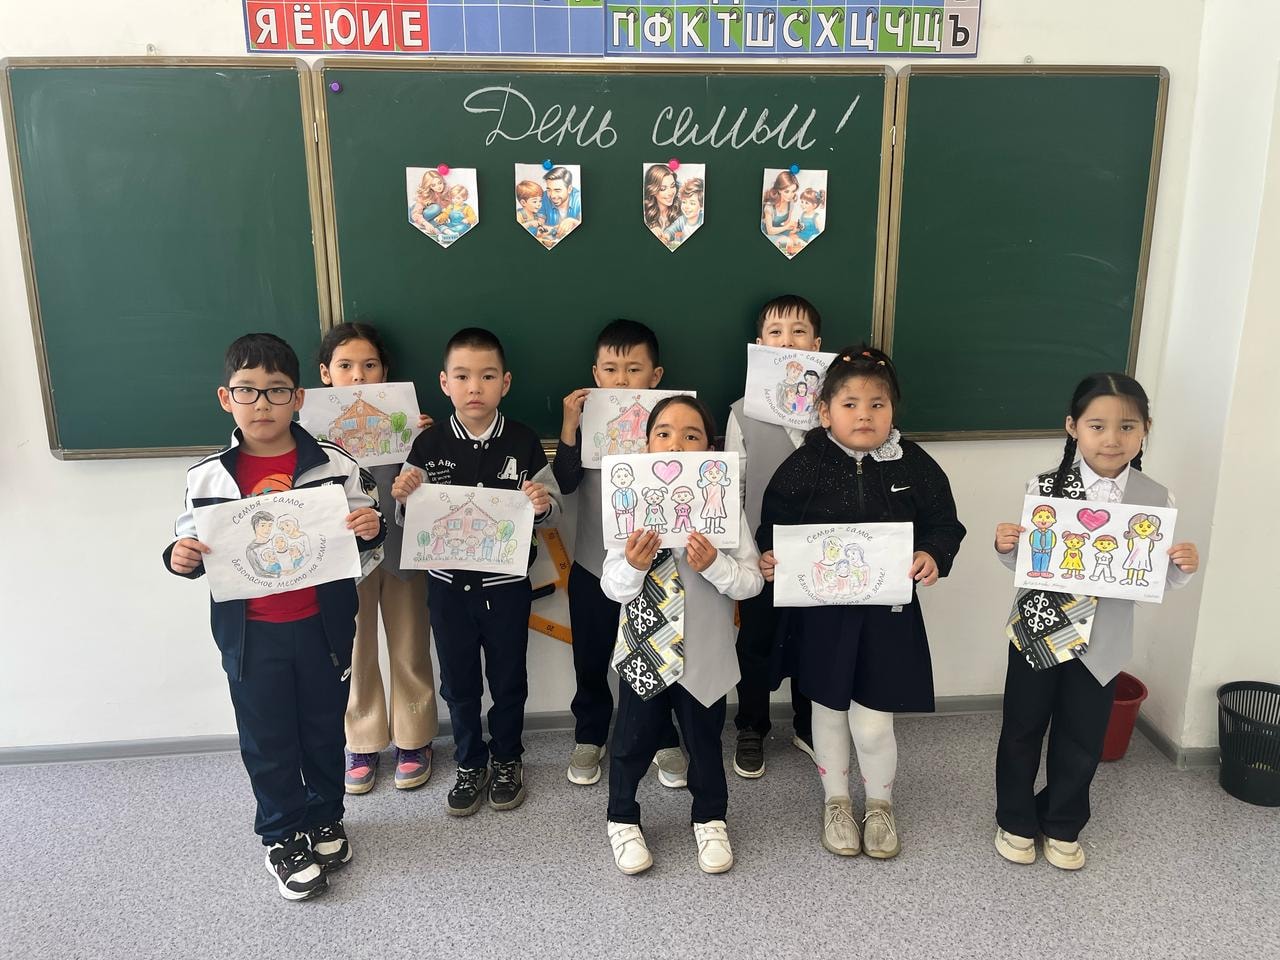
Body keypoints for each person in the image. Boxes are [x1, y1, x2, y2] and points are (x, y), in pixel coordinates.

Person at [163, 333, 385, 901]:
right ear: (225, 398)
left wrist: (371, 529)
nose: (262, 403)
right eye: (247, 390)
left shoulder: (335, 464)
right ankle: (282, 835)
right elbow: (189, 542)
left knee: (323, 729)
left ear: (299, 398)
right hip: (251, 636)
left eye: (277, 390)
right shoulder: (207, 476)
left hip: (322, 628)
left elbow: (368, 528)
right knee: (268, 738)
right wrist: (179, 558)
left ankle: (325, 817)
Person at [759, 346, 965, 860]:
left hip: (887, 618)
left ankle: (879, 803)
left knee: (873, 722)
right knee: (828, 712)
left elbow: (945, 524)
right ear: (825, 412)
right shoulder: (803, 465)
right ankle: (835, 801)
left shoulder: (913, 463)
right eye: (850, 404)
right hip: (822, 619)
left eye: (877, 404)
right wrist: (770, 557)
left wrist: (933, 554)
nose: (864, 415)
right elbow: (772, 527)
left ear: (893, 410)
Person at [993, 373, 1199, 870]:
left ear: (1145, 430)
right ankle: (1015, 820)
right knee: (1022, 729)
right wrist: (1006, 546)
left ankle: (1062, 822)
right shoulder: (1044, 486)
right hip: (1041, 629)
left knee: (1082, 736)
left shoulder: (1157, 497)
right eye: (1097, 425)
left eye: (1127, 426)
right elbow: (1029, 563)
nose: (1112, 439)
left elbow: (1154, 578)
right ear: (1073, 427)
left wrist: (1182, 567)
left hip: (1104, 638)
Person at [392, 328, 561, 816]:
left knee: (508, 680)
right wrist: (404, 497)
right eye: (463, 377)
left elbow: (551, 509)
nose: (475, 388)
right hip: (448, 590)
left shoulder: (524, 441)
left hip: (507, 588)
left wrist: (542, 504)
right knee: (458, 683)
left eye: (487, 377)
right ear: (444, 383)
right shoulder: (428, 444)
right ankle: (469, 761)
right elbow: (409, 518)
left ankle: (507, 758)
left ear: (504, 383)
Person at [602, 396, 764, 875]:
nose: (676, 444)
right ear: (647, 446)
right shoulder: (627, 508)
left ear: (710, 450)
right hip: (644, 652)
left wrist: (715, 565)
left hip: (704, 656)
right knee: (630, 742)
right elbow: (612, 587)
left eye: (691, 435)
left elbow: (752, 582)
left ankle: (710, 818)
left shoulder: (724, 510)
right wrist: (633, 565)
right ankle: (622, 818)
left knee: (705, 743)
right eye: (664, 433)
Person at [553, 320, 687, 789]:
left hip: (657, 570)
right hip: (594, 562)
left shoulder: (674, 428)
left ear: (656, 376)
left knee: (658, 652)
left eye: (634, 369)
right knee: (591, 656)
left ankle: (663, 735)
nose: (622, 380)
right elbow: (565, 483)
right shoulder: (590, 423)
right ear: (596, 374)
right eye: (610, 370)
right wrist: (569, 427)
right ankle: (590, 734)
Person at [316, 322, 439, 796]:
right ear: (326, 374)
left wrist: (424, 440)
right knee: (355, 649)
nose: (358, 376)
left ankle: (415, 737)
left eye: (369, 365)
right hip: (346, 553)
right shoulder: (310, 432)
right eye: (345, 366)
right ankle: (362, 740)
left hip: (405, 546)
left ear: (385, 371)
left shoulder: (405, 422)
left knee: (410, 643)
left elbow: (430, 486)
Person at [723, 295, 822, 778]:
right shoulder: (741, 412)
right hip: (763, 554)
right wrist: (743, 553)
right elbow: (732, 491)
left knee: (814, 640)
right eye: (776, 333)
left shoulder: (837, 409)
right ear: (759, 344)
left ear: (816, 345)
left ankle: (808, 724)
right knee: (756, 641)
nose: (787, 342)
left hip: (823, 554)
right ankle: (751, 726)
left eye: (799, 332)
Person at [540, 166, 581, 238]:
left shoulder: (578, 198)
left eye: (557, 190)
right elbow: (539, 225)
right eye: (549, 190)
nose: (552, 195)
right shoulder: (545, 196)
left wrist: (574, 222)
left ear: (569, 189)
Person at [642, 163, 680, 240]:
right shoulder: (645, 214)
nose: (670, 193)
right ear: (652, 190)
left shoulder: (682, 210)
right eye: (663, 189)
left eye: (672, 186)